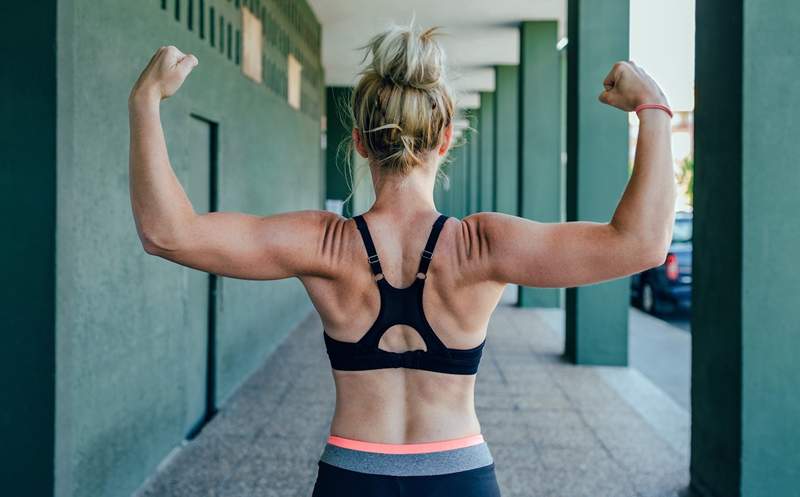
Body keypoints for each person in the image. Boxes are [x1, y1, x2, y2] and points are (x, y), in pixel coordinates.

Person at [128, 23, 674, 497]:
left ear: (360, 143)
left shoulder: (323, 244)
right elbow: (642, 243)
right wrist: (651, 107)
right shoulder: (481, 246)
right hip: (460, 478)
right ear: (443, 139)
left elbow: (168, 235)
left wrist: (145, 102)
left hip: (352, 477)